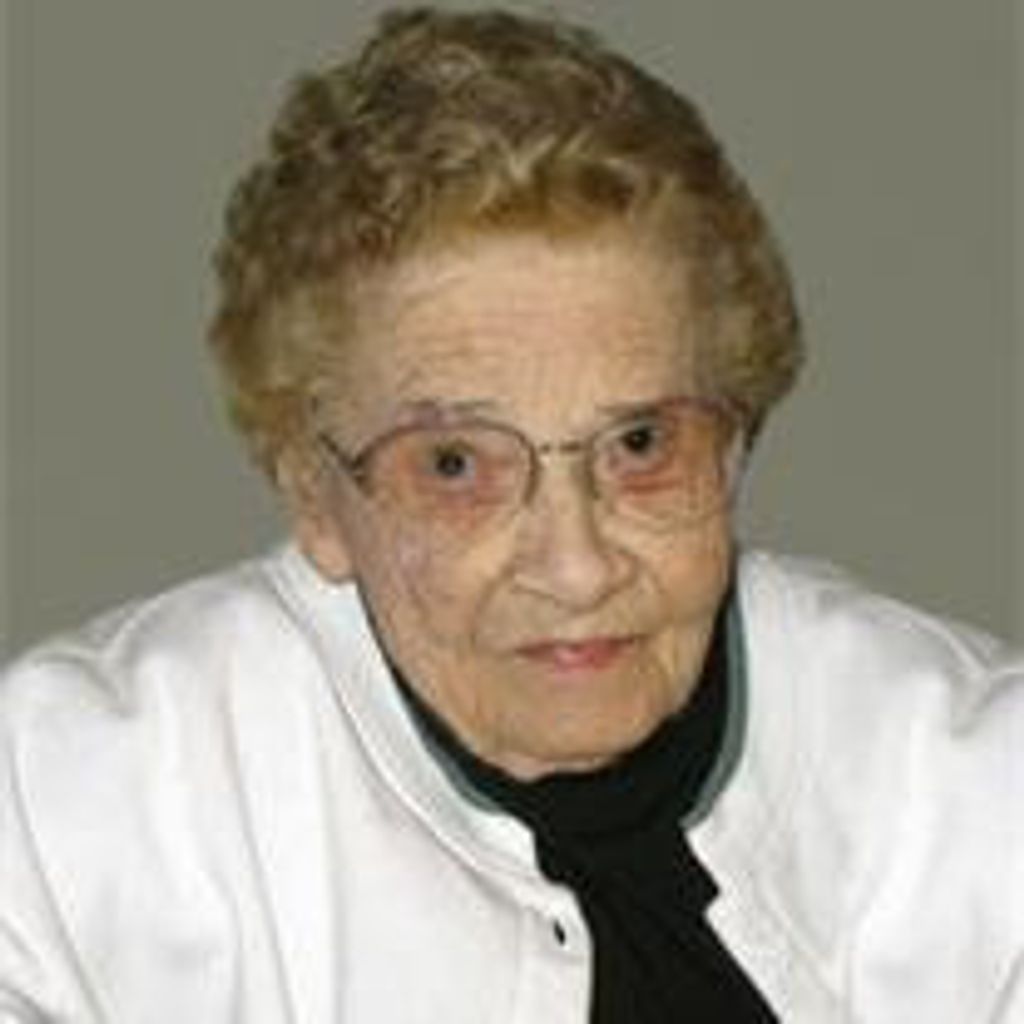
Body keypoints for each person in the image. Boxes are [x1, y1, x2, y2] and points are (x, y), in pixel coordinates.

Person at [1, 8, 1020, 1022]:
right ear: (315, 494)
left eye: (640, 444)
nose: (576, 569)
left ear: (733, 442)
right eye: (456, 464)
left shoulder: (976, 791)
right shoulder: (64, 812)